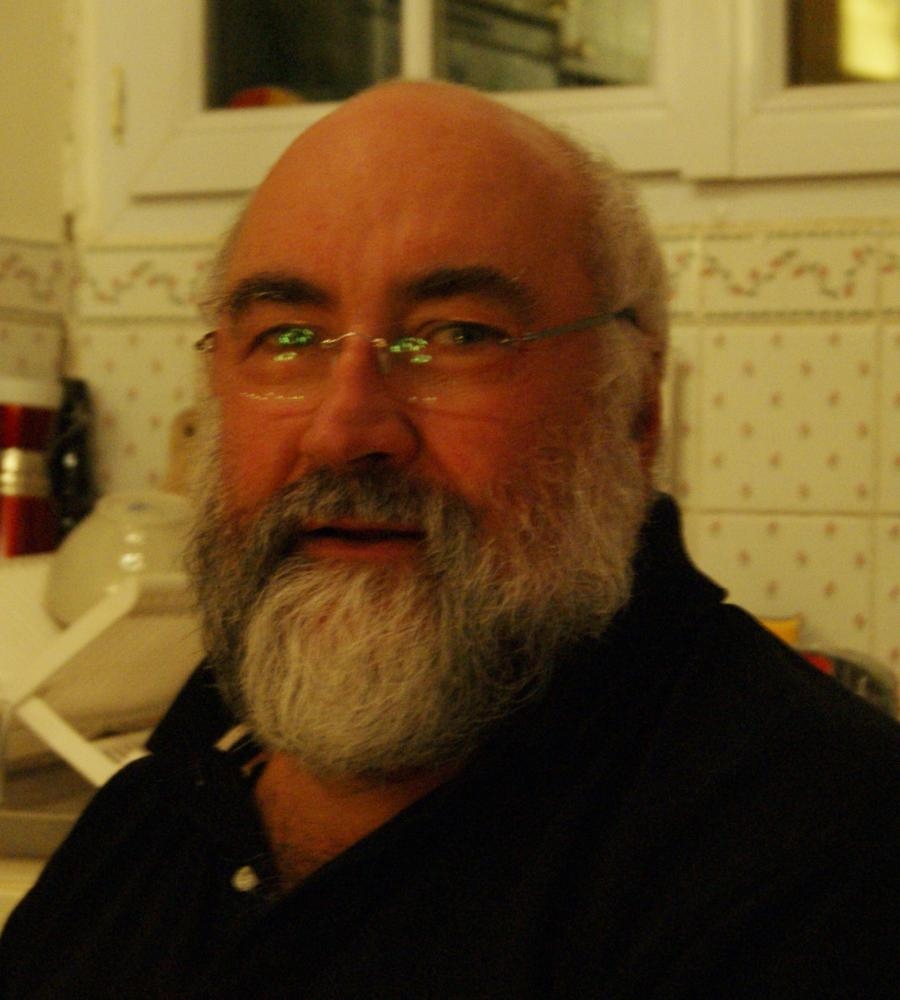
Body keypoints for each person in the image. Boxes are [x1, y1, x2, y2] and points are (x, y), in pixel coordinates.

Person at [1, 80, 897, 999]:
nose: (344, 429)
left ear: (633, 410)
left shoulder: (818, 850)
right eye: (288, 337)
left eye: (457, 336)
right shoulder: (184, 769)